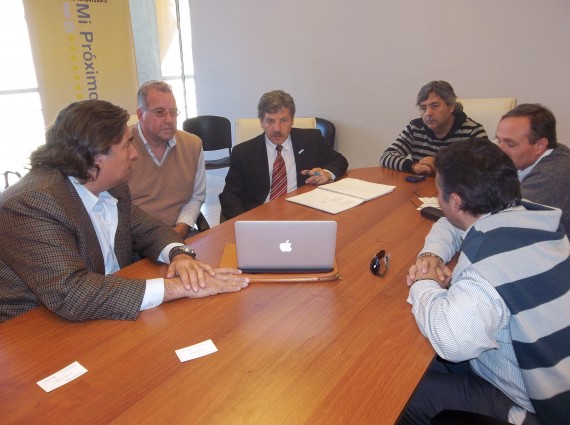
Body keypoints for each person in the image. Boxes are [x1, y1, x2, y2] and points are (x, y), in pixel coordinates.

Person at [0, 100, 248, 323]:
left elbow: (149, 230)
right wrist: (177, 288)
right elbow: (72, 293)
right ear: (97, 156)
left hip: (106, 309)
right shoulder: (31, 204)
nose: (135, 154)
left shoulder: (111, 186)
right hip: (39, 329)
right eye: (127, 144)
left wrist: (179, 256)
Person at [399, 140, 570, 425]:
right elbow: (449, 224)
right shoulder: (534, 217)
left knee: (398, 390)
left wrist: (423, 282)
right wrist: (431, 254)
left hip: (537, 408)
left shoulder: (487, 264)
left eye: (438, 192)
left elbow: (451, 341)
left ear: (454, 201)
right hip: (547, 374)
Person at [219, 90, 349, 220]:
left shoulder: (311, 140)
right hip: (261, 218)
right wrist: (245, 224)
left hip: (303, 215)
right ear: (261, 122)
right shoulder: (243, 153)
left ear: (292, 120)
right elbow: (230, 196)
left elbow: (339, 161)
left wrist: (327, 173)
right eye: (270, 121)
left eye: (284, 120)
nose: (277, 128)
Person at [128, 80, 206, 238]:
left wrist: (182, 228)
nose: (169, 120)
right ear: (141, 115)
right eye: (159, 112)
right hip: (136, 240)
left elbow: (196, 196)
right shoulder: (123, 146)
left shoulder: (193, 144)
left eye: (173, 112)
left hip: (179, 233)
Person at [380, 80, 487, 174]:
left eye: (435, 106)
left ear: (451, 106)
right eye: (423, 108)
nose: (428, 113)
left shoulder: (473, 131)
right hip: (421, 192)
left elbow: (485, 168)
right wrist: (414, 167)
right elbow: (386, 156)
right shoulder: (415, 128)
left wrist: (441, 166)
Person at [496, 103, 570, 236]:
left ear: (540, 145)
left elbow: (505, 223)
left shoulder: (553, 175)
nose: (500, 150)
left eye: (510, 143)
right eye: (499, 141)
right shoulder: (524, 160)